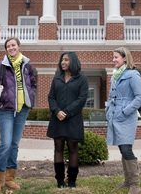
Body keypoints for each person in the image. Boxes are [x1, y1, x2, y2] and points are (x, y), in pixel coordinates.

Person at [0, 37, 37, 192]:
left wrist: (31, 96)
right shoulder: (0, 66)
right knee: (5, 143)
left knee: (14, 144)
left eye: (13, 45)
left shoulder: (27, 65)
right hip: (5, 109)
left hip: (22, 109)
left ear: (19, 46)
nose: (11, 48)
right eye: (8, 46)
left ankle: (10, 179)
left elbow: (33, 83)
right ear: (6, 49)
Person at [105, 47, 141, 194]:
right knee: (122, 148)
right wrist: (108, 110)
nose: (113, 60)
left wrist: (126, 111)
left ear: (125, 59)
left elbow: (140, 97)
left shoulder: (133, 75)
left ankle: (135, 185)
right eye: (113, 57)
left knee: (127, 149)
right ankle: (128, 181)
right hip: (115, 115)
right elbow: (111, 96)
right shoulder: (115, 75)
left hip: (126, 117)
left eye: (116, 57)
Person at [47, 51, 88, 188]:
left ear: (73, 62)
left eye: (66, 60)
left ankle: (71, 181)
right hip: (57, 119)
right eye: (62, 60)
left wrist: (66, 112)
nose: (63, 62)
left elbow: (81, 99)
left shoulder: (82, 79)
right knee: (58, 147)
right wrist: (57, 111)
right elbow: (51, 97)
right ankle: (59, 180)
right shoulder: (57, 79)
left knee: (72, 149)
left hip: (73, 119)